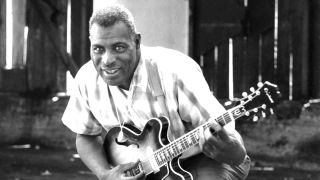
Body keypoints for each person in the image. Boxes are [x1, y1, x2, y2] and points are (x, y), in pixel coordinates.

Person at [62, 4, 250, 180]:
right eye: (98, 49)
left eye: (118, 47)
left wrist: (232, 151)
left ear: (136, 42)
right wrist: (105, 174)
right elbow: (85, 136)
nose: (107, 60)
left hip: (203, 158)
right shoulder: (86, 78)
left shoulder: (176, 71)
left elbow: (228, 140)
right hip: (149, 169)